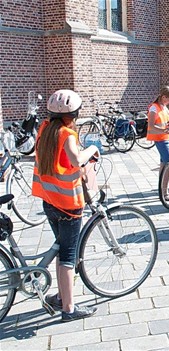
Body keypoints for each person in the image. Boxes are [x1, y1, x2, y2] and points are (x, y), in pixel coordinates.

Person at [32, 90, 99, 322]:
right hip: (68, 205)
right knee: (68, 256)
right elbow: (76, 160)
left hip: (48, 200)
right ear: (75, 114)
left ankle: (61, 296)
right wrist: (92, 149)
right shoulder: (66, 133)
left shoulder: (45, 129)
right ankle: (68, 309)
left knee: (62, 250)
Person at [147, 86, 169, 201]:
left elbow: (165, 121)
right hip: (161, 139)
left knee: (165, 164)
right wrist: (163, 130)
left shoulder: (163, 107)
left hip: (167, 138)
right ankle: (165, 192)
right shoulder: (154, 108)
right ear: (163, 97)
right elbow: (151, 127)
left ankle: (162, 189)